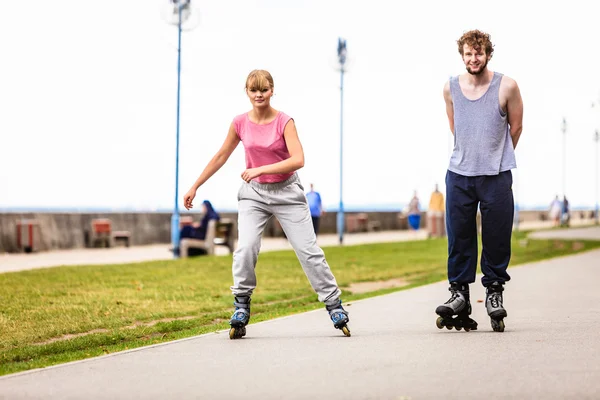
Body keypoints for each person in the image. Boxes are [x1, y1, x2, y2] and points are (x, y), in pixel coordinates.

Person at [182, 69, 350, 339]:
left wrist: (261, 169)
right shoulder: (239, 123)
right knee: (246, 247)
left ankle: (334, 304)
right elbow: (221, 155)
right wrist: (195, 185)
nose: (258, 94)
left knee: (308, 251)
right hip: (254, 194)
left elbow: (298, 159)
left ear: (272, 91)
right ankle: (241, 304)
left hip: (287, 193)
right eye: (253, 90)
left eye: (264, 89)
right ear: (246, 92)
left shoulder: (285, 121)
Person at [436, 30, 523, 333]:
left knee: (497, 237)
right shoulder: (450, 89)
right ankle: (459, 294)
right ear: (462, 56)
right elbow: (455, 127)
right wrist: (472, 155)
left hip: (496, 176)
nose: (474, 58)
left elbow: (516, 126)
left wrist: (494, 157)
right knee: (459, 237)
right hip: (459, 175)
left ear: (488, 54)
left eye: (479, 53)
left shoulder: (507, 86)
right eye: (469, 54)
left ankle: (494, 292)